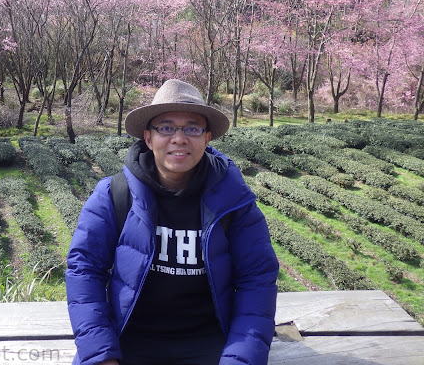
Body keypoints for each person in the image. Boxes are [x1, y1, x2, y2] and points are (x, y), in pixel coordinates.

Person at [66, 79, 278, 365]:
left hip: (211, 341)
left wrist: (241, 358)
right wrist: (101, 354)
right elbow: (84, 270)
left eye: (192, 128)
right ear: (148, 137)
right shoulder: (113, 194)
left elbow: (257, 281)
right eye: (166, 127)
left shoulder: (235, 202)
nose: (179, 138)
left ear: (207, 137)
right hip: (128, 336)